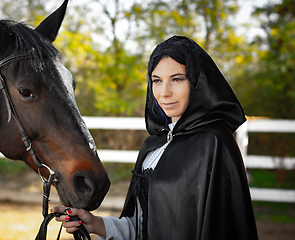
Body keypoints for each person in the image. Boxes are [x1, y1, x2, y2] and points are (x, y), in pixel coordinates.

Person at [52, 35, 259, 240]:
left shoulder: (214, 143)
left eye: (177, 79)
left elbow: (222, 228)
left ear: (197, 83)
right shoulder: (153, 146)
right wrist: (96, 224)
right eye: (157, 81)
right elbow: (144, 227)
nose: (164, 92)